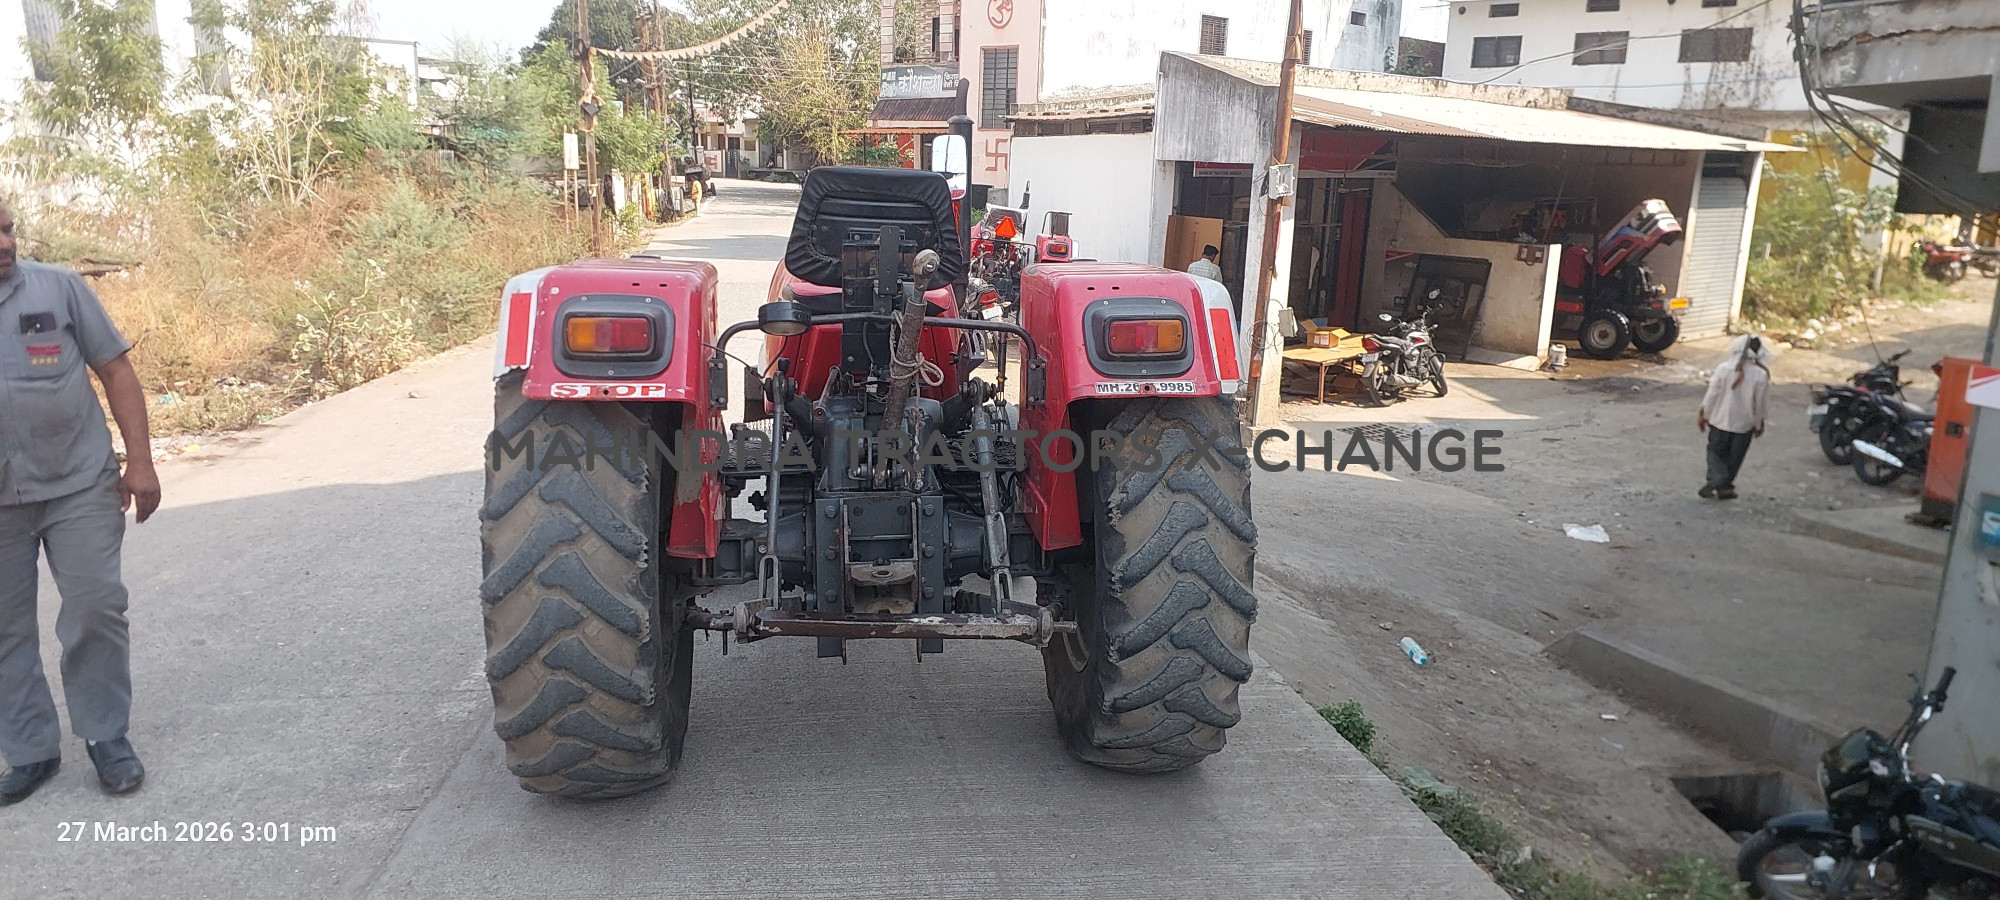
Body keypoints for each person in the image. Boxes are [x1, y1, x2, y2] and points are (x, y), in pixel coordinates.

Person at [0, 198, 160, 805]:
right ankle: (31, 750)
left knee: (96, 608)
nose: (4, 244)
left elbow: (115, 370)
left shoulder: (59, 289)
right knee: (4, 632)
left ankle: (105, 736)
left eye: (8, 229)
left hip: (78, 482)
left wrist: (139, 462)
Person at [1696, 334, 1771, 500]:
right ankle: (1725, 486)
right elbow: (1760, 404)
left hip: (1719, 421)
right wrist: (1759, 424)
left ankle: (1716, 480)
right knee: (1735, 458)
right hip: (1744, 425)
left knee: (1715, 452)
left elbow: (1712, 395)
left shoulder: (1723, 369)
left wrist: (1704, 414)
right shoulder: (1761, 375)